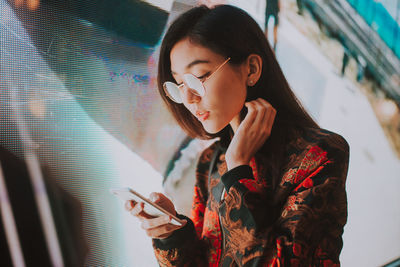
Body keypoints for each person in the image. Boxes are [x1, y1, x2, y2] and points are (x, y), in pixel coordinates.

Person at [125, 5, 349, 266]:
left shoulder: (319, 154)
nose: (188, 98)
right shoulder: (210, 161)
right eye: (179, 84)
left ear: (251, 69)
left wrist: (238, 173)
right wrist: (172, 234)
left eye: (198, 76)